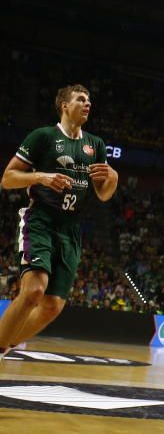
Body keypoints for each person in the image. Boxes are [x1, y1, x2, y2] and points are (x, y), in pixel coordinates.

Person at [0, 84, 119, 358]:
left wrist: (113, 180)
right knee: (33, 291)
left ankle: (4, 345)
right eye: (81, 99)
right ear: (65, 105)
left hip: (71, 229)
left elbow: (102, 195)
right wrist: (40, 176)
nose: (87, 103)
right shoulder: (42, 136)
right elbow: (7, 179)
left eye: (89, 100)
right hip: (40, 220)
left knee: (52, 306)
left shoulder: (95, 145)